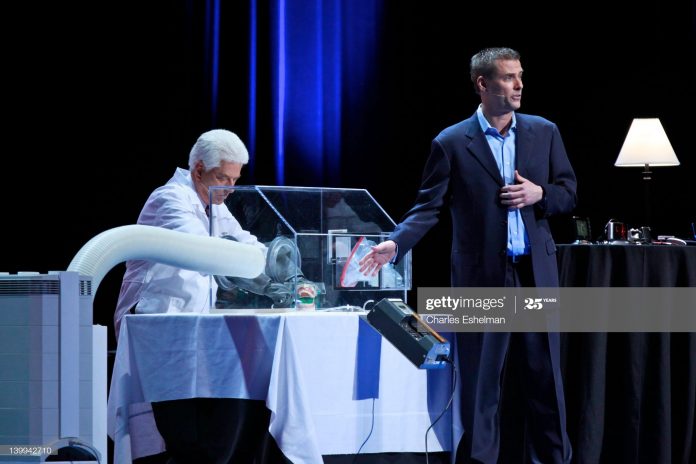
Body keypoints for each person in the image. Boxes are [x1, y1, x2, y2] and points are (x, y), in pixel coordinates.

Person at [359, 47, 576, 464]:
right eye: (509, 77)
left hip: (535, 275)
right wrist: (397, 242)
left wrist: (541, 193)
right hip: (483, 278)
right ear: (482, 84)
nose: (519, 85)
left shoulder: (544, 131)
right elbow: (428, 207)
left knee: (546, 381)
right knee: (480, 388)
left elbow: (568, 192)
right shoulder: (452, 141)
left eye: (520, 76)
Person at [114, 129, 280, 464]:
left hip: (193, 328)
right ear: (199, 169)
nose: (229, 189)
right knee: (180, 430)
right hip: (156, 324)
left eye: (235, 180)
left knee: (208, 427)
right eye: (223, 178)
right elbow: (204, 252)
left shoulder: (214, 203)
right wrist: (251, 261)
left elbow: (244, 241)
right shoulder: (169, 200)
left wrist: (279, 263)